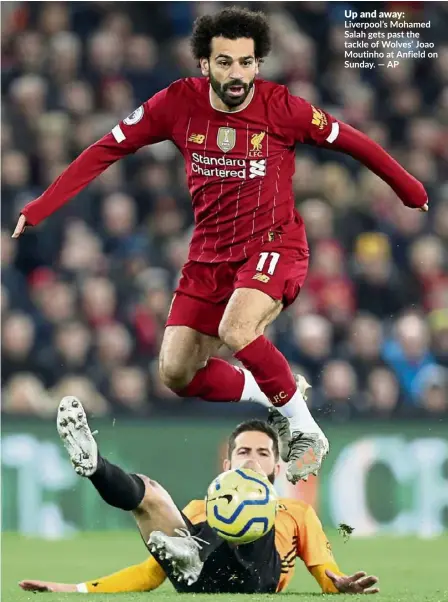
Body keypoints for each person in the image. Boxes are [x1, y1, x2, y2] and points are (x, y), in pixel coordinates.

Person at [12, 8, 428, 482]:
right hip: (209, 256)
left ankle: (305, 429)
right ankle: (274, 392)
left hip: (275, 244)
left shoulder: (283, 108)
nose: (238, 74)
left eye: (247, 63)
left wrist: (409, 189)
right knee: (175, 373)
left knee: (237, 328)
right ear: (204, 65)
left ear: (259, 64)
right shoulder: (175, 104)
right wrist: (42, 206)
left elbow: (353, 141)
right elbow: (109, 147)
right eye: (226, 62)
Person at [19, 397, 379, 595]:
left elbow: (327, 575)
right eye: (243, 453)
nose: (252, 460)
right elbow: (149, 575)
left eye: (263, 453)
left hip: (256, 582)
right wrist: (75, 589)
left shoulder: (296, 513)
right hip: (198, 579)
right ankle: (95, 466)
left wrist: (342, 585)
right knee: (153, 494)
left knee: (254, 511)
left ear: (276, 468)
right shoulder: (201, 509)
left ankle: (190, 549)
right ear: (227, 463)